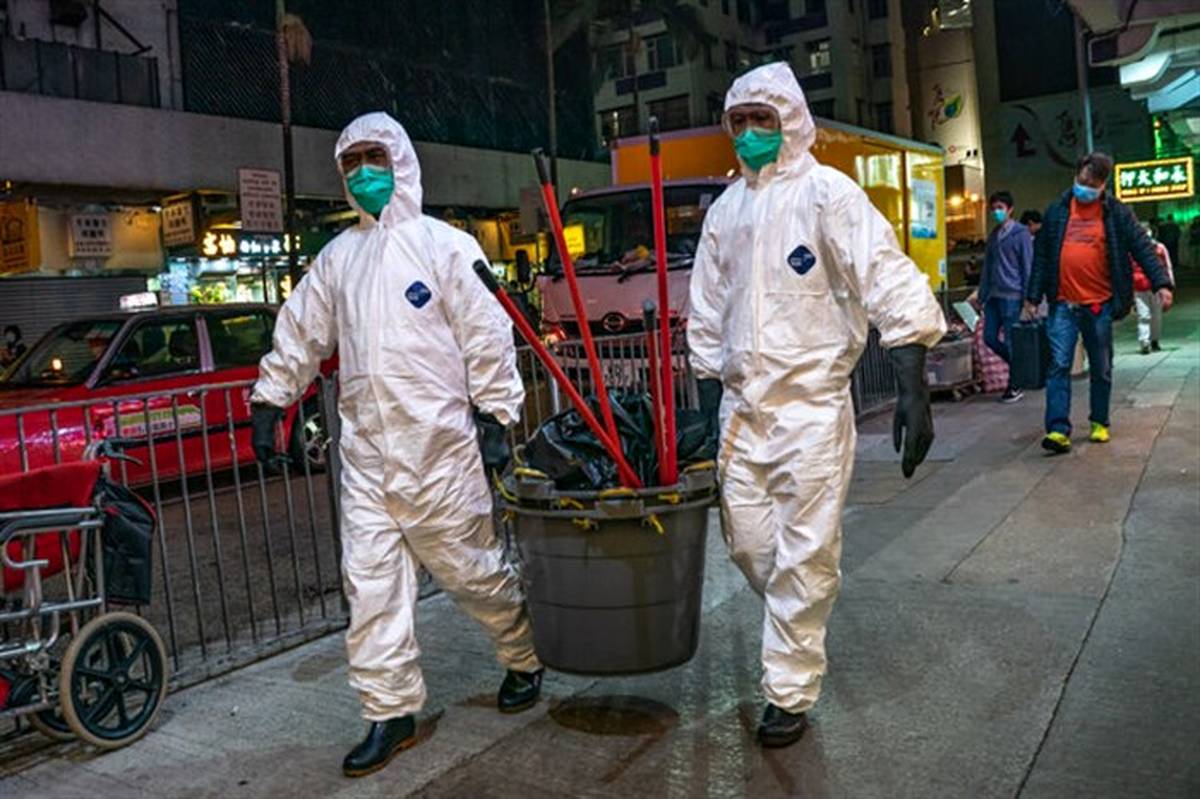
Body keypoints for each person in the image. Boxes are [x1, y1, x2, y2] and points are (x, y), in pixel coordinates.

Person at [250, 112, 543, 778]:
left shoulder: (447, 248)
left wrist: (496, 417)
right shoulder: (338, 259)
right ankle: (390, 711)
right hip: (366, 460)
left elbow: (487, 335)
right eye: (350, 163)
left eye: (373, 158)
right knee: (371, 587)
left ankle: (523, 653)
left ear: (400, 161)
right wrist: (271, 398)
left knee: (474, 572)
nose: (362, 173)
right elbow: (301, 330)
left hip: (440, 454)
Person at [688, 62, 946, 749]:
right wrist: (706, 394)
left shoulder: (829, 195)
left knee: (805, 555)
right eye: (739, 122)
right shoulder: (725, 212)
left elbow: (884, 272)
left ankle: (788, 690)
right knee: (749, 544)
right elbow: (707, 308)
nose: (749, 133)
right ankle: (796, 615)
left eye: (762, 120)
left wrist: (913, 379)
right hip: (741, 414)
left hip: (810, 411)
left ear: (791, 122)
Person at [1024, 152, 1173, 454]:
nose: (1085, 188)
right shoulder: (1057, 211)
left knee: (1101, 366)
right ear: (1075, 176)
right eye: (1082, 181)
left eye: (1092, 184)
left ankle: (1099, 421)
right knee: (1058, 365)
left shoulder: (1117, 213)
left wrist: (1162, 284)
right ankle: (1057, 429)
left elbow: (1142, 248)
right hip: (1063, 304)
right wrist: (1033, 295)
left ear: (1104, 184)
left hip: (1099, 305)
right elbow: (1042, 256)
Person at [975, 190, 1033, 402]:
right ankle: (1021, 369)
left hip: (1012, 295)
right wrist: (981, 296)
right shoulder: (994, 236)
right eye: (993, 209)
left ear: (1010, 210)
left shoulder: (1021, 234)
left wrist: (1029, 297)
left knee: (1010, 340)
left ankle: (1014, 384)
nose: (996, 212)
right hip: (993, 296)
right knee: (989, 337)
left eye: (1000, 208)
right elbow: (987, 268)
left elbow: (1027, 265)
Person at [1132, 222, 1174, 354]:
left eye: (1147, 230)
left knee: (1156, 315)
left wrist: (1169, 283)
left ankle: (1154, 340)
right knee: (1143, 315)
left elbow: (1167, 265)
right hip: (1139, 285)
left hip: (1156, 286)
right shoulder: (1132, 249)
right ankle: (1144, 341)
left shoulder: (1160, 248)